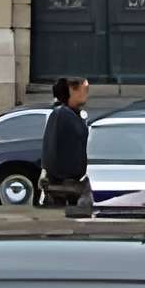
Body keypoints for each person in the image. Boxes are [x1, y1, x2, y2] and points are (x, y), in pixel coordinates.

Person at [38, 75, 92, 212]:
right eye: (82, 89)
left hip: (65, 183)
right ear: (71, 91)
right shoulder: (63, 114)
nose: (85, 94)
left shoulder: (68, 114)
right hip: (64, 186)